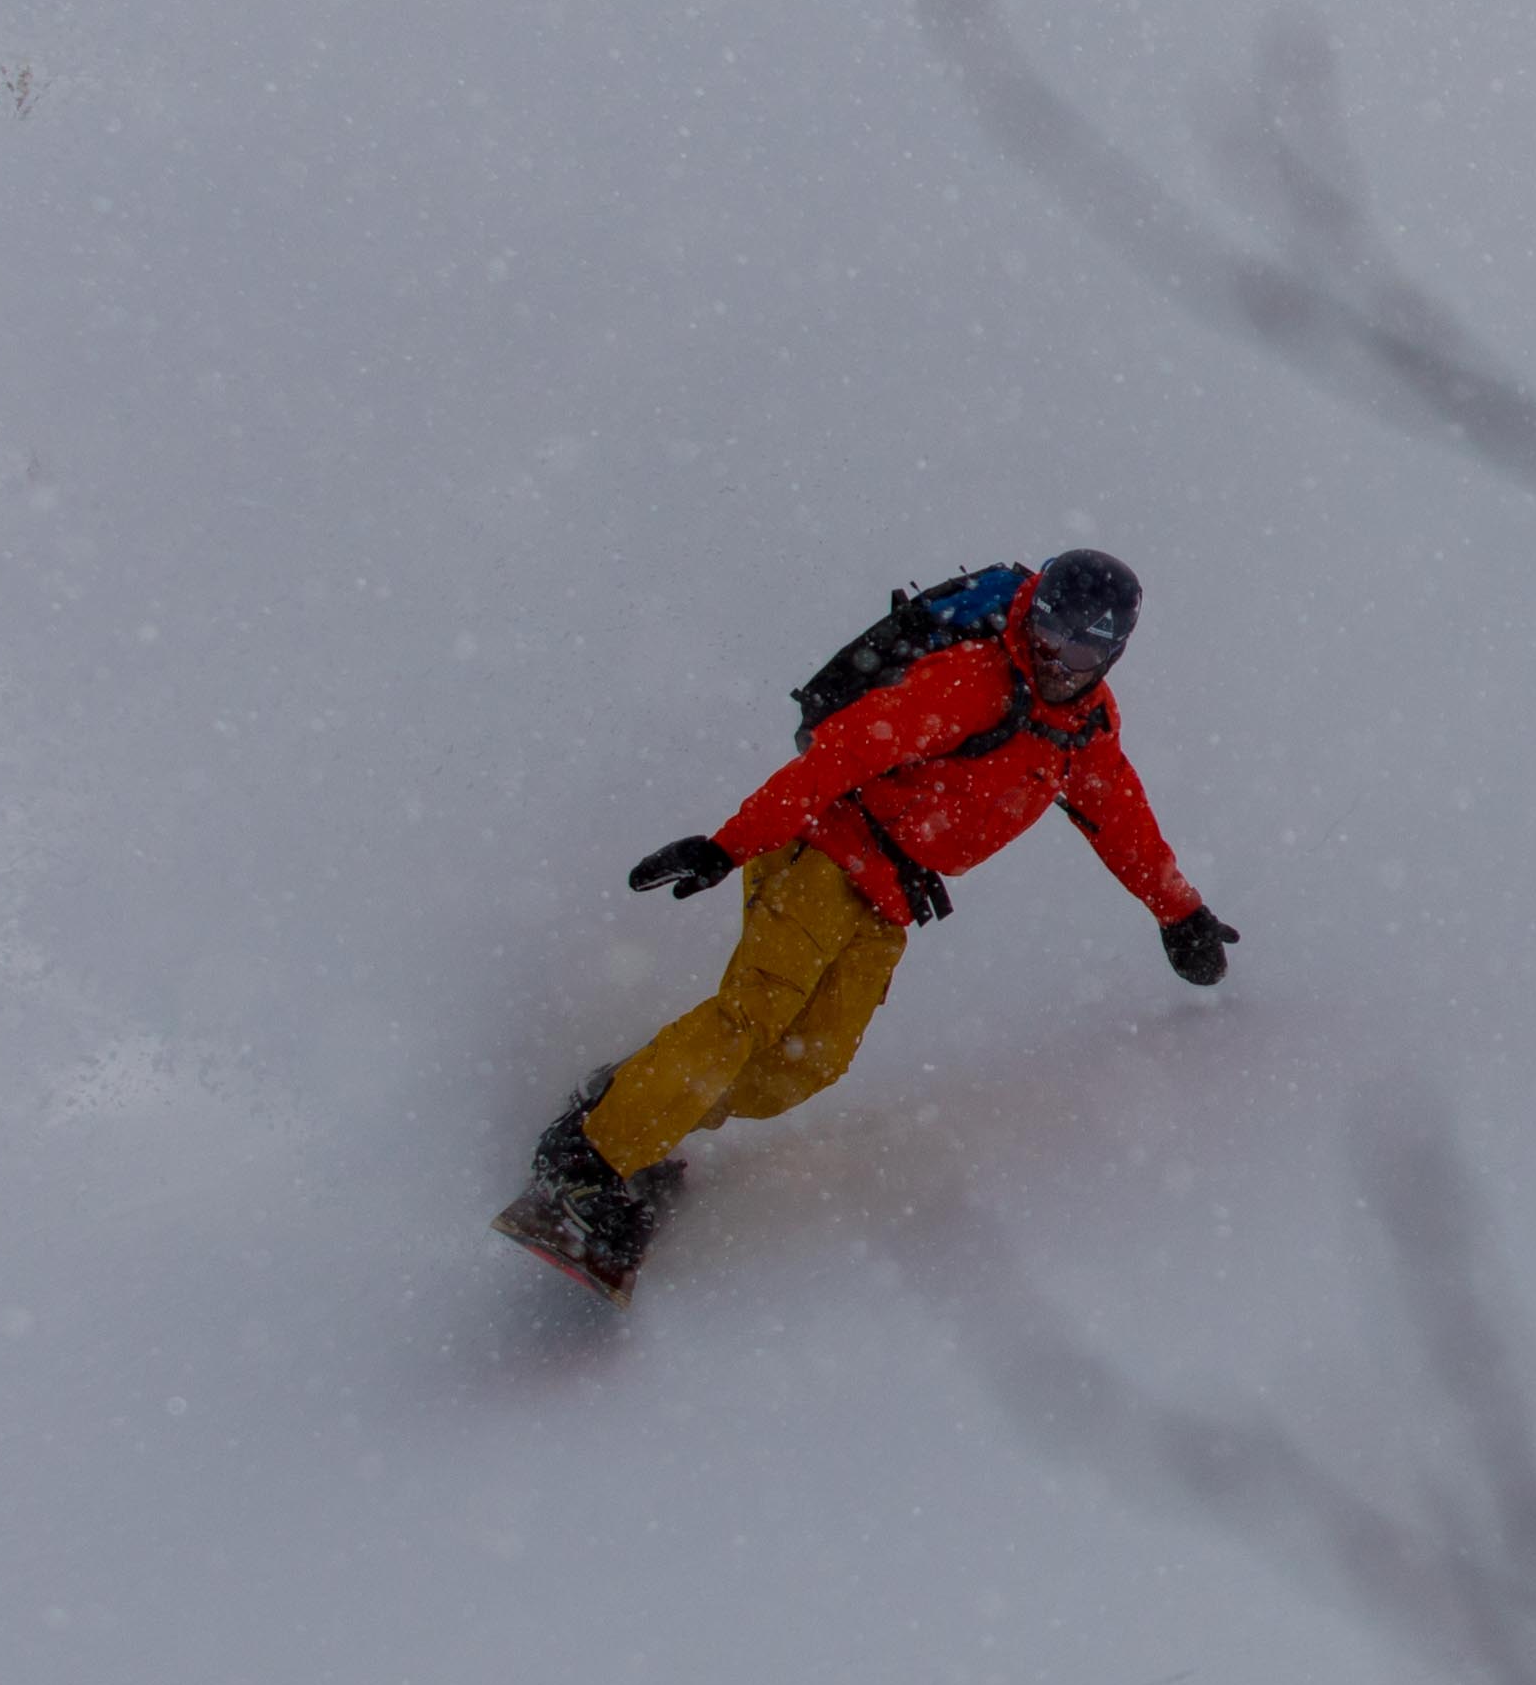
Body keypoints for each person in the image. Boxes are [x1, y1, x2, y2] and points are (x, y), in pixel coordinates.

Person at [497, 544, 1236, 1294]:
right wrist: (726, 845)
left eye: (1084, 644)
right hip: (823, 848)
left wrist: (1182, 914)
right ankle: (584, 1172)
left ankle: (624, 1103)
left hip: (889, 894)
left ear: (1114, 650)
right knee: (751, 1018)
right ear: (1032, 609)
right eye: (1049, 628)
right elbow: (838, 758)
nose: (1057, 654)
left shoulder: (1084, 730)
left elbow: (1124, 823)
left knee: (807, 1067)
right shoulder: (970, 681)